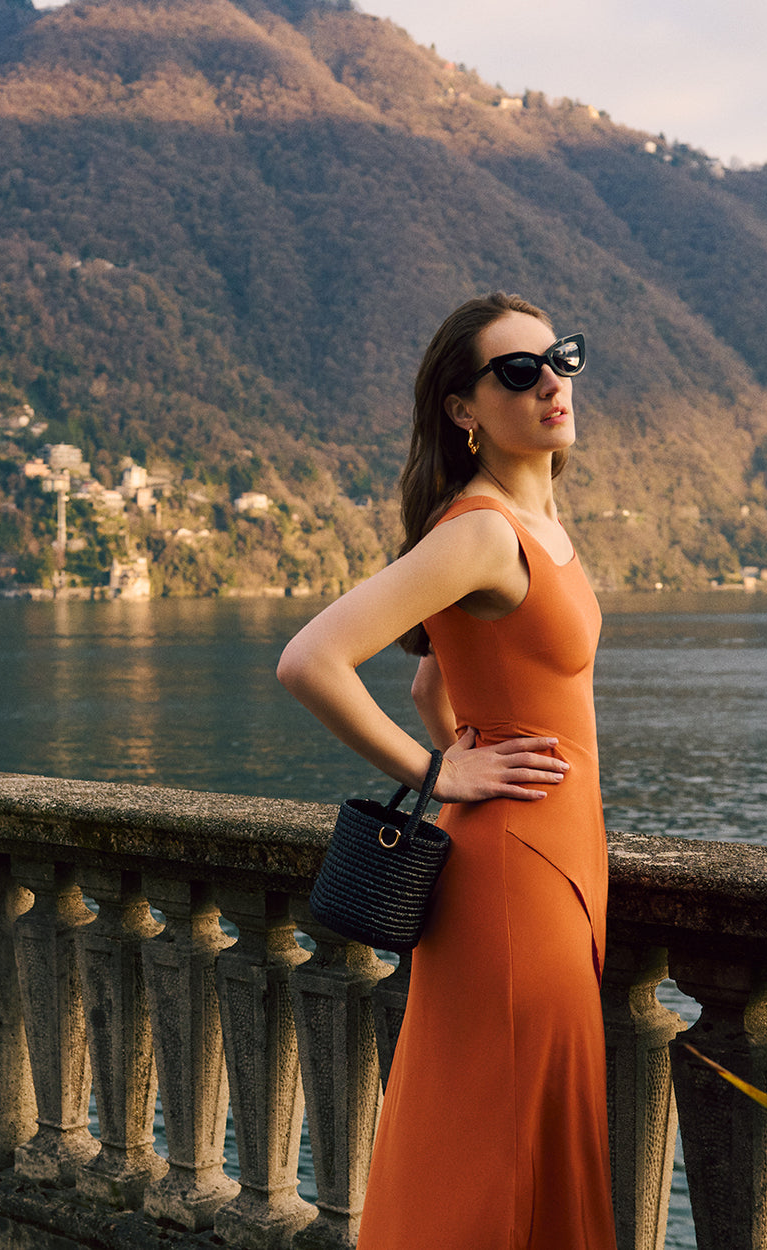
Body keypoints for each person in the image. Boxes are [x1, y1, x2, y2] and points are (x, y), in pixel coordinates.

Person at [277, 292, 617, 1249]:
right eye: (518, 371)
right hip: (515, 876)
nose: (552, 381)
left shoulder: (536, 522)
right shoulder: (478, 532)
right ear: (463, 409)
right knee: (490, 1150)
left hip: (559, 862)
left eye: (560, 358)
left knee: (530, 1135)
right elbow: (311, 660)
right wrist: (440, 771)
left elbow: (435, 675)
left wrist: (461, 735)